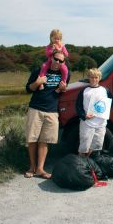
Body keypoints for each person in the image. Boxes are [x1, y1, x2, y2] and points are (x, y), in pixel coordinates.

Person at [24, 49, 69, 179]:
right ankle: (31, 167)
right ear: (51, 58)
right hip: (36, 108)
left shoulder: (65, 73)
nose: (58, 62)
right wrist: (37, 83)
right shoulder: (39, 70)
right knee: (32, 139)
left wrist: (62, 89)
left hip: (52, 110)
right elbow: (28, 89)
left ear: (63, 62)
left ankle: (40, 169)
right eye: (56, 59)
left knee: (45, 141)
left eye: (61, 61)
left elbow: (60, 91)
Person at [76, 68, 113, 157]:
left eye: (96, 77)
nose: (94, 79)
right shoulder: (84, 91)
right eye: (92, 77)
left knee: (95, 148)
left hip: (100, 124)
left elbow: (111, 103)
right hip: (87, 123)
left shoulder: (105, 90)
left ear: (99, 78)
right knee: (83, 148)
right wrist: (84, 115)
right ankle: (80, 166)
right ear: (88, 78)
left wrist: (105, 113)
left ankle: (90, 166)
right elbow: (78, 106)